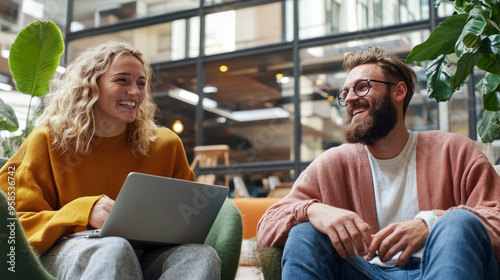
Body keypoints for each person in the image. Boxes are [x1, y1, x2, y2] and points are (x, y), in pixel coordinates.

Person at [257, 46, 500, 279]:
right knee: (305, 231)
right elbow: (267, 226)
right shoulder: (333, 163)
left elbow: (496, 215)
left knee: (458, 221)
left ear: (399, 91)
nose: (350, 98)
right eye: (345, 93)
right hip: (365, 272)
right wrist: (313, 210)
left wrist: (432, 225)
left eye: (362, 87)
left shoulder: (454, 150)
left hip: (440, 267)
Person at [0, 41, 220, 279]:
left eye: (141, 83)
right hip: (69, 250)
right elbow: (11, 227)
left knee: (201, 255)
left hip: (148, 252)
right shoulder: (48, 139)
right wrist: (83, 211)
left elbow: (188, 220)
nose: (135, 91)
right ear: (91, 86)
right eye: (122, 80)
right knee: (115, 248)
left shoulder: (166, 145)